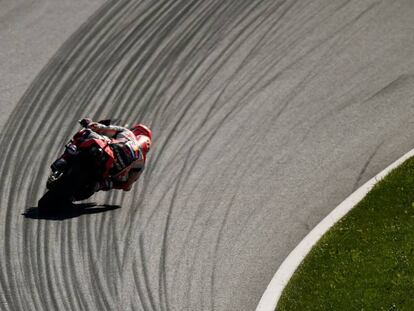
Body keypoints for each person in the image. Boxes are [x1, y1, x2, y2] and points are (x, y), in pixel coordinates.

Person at [51, 118, 152, 194]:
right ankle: (98, 185)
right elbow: (127, 186)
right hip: (110, 170)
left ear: (136, 131)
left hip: (108, 151)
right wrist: (106, 184)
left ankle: (64, 158)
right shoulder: (141, 164)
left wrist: (90, 123)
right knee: (116, 182)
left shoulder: (128, 133)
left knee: (86, 133)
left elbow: (101, 128)